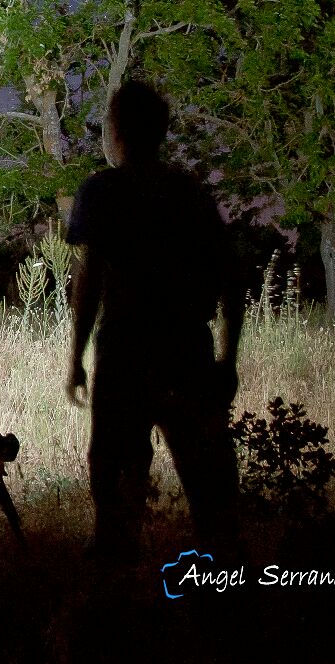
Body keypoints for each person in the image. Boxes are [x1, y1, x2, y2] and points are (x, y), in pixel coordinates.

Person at [65, 79, 243, 562]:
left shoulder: (102, 193)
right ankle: (225, 594)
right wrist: (228, 357)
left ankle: (116, 579)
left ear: (116, 131)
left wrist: (76, 356)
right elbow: (232, 280)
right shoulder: (191, 196)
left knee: (114, 475)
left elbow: (91, 279)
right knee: (209, 484)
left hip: (125, 350)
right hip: (186, 348)